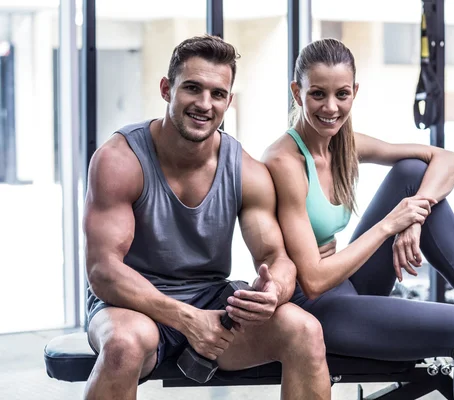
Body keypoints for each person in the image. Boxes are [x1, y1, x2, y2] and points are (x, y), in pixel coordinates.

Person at [263, 38, 454, 400]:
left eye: (342, 94)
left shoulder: (343, 144)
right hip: (312, 307)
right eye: (318, 94)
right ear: (297, 92)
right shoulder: (285, 163)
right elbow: (312, 280)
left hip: (347, 287)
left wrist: (414, 217)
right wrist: (391, 224)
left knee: (413, 173)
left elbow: (448, 159)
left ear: (355, 92)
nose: (331, 107)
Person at [82, 35, 331, 400]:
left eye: (217, 94)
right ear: (167, 89)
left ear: (229, 101)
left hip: (211, 303)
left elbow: (276, 257)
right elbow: (103, 272)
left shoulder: (246, 170)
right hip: (130, 305)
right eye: (192, 88)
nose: (204, 104)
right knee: (124, 346)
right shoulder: (120, 159)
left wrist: (274, 289)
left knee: (304, 330)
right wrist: (186, 318)